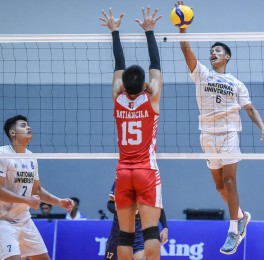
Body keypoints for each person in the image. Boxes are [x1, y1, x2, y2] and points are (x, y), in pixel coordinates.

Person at [176, 1, 264, 255]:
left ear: (227, 57)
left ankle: (234, 230)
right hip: (207, 135)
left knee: (230, 181)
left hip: (229, 133)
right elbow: (186, 49)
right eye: (211, 50)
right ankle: (242, 216)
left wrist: (262, 126)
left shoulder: (237, 83)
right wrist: (182, 28)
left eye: (218, 50)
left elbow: (249, 108)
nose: (213, 53)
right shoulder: (201, 74)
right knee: (220, 187)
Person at [99, 6, 163, 260]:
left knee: (125, 235)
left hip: (123, 172)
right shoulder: (153, 96)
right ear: (145, 84)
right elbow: (156, 64)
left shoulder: (117, 97)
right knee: (150, 233)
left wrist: (115, 32)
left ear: (123, 85)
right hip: (146, 170)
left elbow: (119, 64)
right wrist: (149, 31)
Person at [0, 115, 74, 260]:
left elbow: (37, 190)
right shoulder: (3, 154)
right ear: (12, 132)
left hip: (24, 220)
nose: (28, 127)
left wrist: (59, 202)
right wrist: (27, 200)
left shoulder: (31, 156)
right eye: (23, 125)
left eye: (28, 125)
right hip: (3, 221)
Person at [104, 181, 168, 260]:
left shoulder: (149, 182)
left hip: (138, 230)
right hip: (119, 229)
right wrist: (124, 212)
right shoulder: (121, 179)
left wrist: (165, 227)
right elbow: (110, 204)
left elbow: (158, 207)